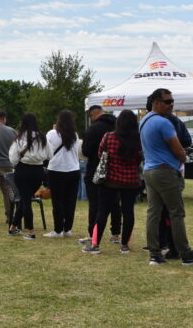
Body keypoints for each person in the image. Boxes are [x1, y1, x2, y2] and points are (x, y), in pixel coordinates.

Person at [141, 88, 193, 265]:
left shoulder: (144, 121)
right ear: (156, 102)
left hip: (149, 170)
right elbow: (178, 149)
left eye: (172, 101)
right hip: (165, 172)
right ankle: (186, 254)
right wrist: (184, 159)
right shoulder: (164, 123)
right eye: (167, 101)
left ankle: (154, 254)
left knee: (153, 213)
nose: (171, 105)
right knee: (176, 213)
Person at [82, 110, 141, 254]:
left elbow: (100, 155)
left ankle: (95, 244)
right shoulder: (138, 140)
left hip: (110, 181)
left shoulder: (109, 137)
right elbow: (139, 159)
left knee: (102, 212)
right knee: (128, 212)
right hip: (131, 181)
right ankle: (125, 245)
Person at [8, 113, 51, 239]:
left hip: (22, 170)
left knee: (26, 201)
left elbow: (13, 158)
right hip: (38, 171)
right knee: (25, 199)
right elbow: (50, 155)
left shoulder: (19, 138)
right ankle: (13, 227)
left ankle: (31, 232)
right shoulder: (42, 137)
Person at [81, 106, 119, 244]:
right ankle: (116, 233)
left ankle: (93, 234)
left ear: (92, 116)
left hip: (95, 169)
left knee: (95, 204)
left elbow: (85, 151)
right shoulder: (118, 125)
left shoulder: (93, 129)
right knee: (115, 203)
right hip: (116, 170)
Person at [45, 110, 81, 238]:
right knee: (70, 201)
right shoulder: (75, 135)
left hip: (56, 169)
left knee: (57, 201)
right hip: (73, 169)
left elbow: (46, 150)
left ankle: (58, 230)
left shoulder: (52, 133)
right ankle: (67, 229)